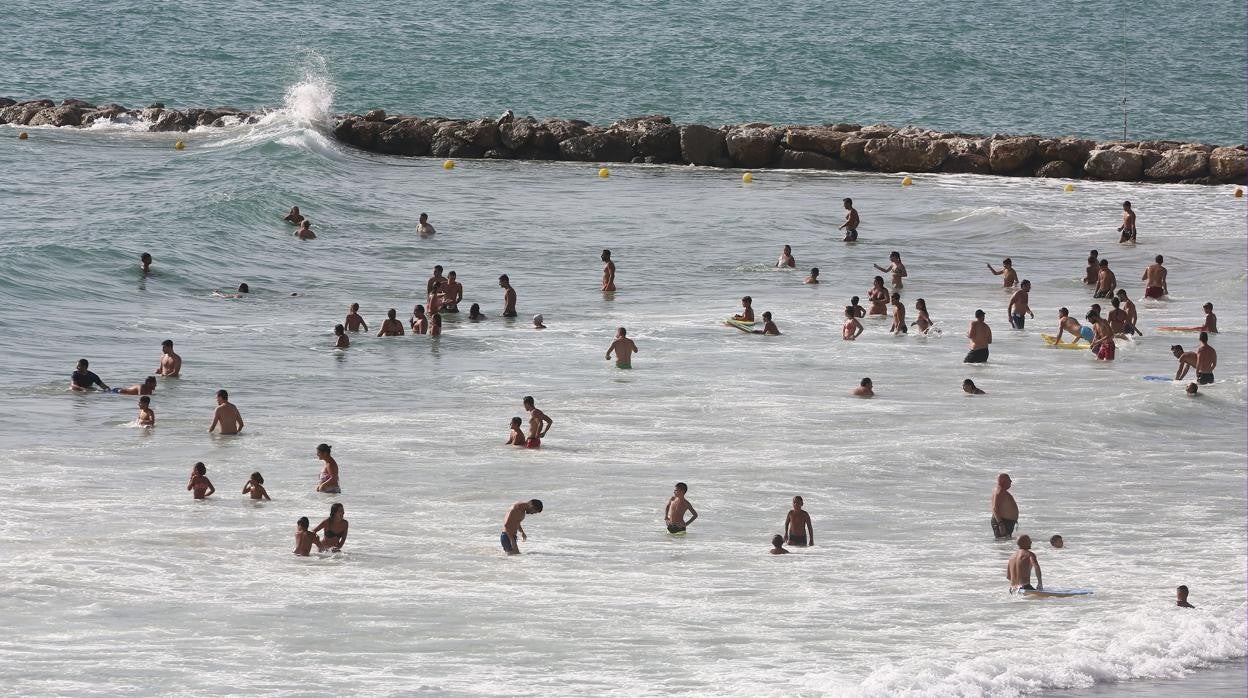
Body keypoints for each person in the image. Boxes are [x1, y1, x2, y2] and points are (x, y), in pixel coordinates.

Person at [991, 473, 1018, 539]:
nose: (1011, 481)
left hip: (1006, 522)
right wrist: (1000, 524)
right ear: (1003, 480)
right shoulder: (999, 491)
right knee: (1002, 544)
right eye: (1009, 479)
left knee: (1004, 543)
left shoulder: (1000, 490)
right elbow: (994, 508)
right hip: (1003, 522)